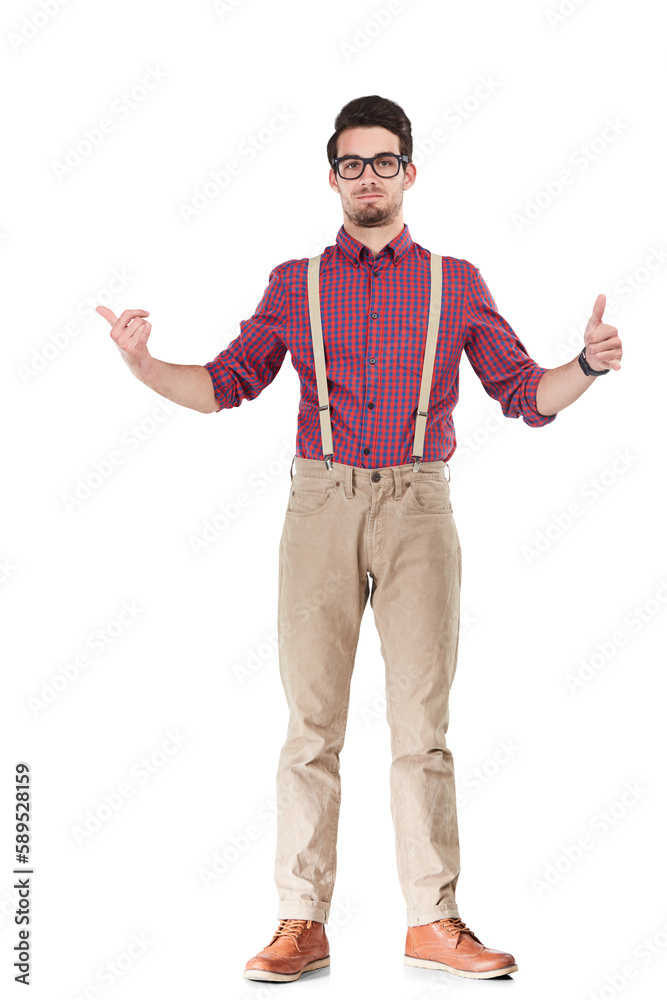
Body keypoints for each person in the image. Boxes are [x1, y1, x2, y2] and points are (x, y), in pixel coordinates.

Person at [97, 95, 623, 983]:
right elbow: (227, 384)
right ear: (332, 176)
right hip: (320, 505)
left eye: (385, 162)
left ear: (409, 173)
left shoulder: (455, 281)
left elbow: (524, 396)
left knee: (423, 728)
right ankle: (300, 921)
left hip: (419, 506)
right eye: (352, 163)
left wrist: (587, 366)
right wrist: (143, 365)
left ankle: (433, 921)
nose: (369, 177)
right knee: (312, 726)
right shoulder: (294, 282)